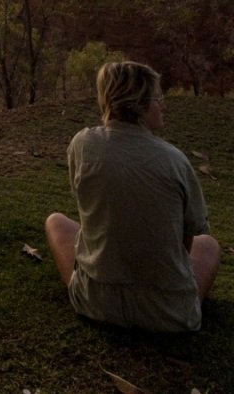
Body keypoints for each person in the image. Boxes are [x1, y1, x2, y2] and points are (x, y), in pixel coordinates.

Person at [45, 60, 221, 332]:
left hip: (97, 304)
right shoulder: (175, 160)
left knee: (55, 222)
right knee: (208, 245)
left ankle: (89, 283)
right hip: (169, 314)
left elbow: (87, 209)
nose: (163, 104)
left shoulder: (82, 144)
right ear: (138, 104)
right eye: (157, 98)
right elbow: (188, 239)